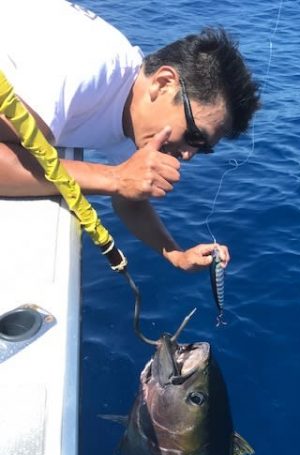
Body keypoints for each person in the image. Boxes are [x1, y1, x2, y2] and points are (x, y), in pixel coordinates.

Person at [0, 0, 260, 271]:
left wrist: (176, 255)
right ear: (163, 84)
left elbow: (130, 200)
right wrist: (114, 177)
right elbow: (121, 182)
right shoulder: (86, 72)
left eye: (203, 148)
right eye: (194, 134)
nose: (188, 154)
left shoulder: (136, 112)